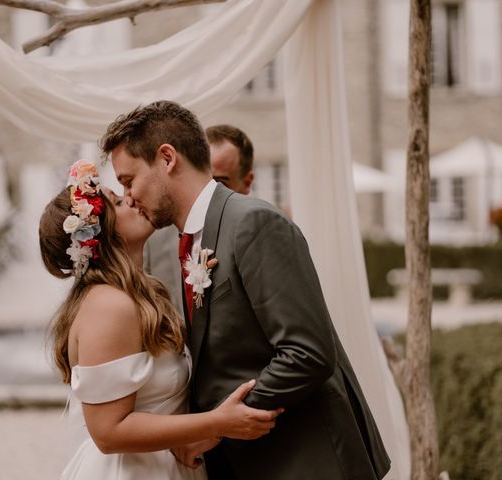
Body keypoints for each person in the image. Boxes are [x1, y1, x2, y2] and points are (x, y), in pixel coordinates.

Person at [101, 101, 391, 480]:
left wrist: (217, 427)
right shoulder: (183, 240)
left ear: (167, 158)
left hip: (306, 460)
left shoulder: (254, 223)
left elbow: (308, 352)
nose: (129, 195)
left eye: (128, 180)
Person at [39, 159, 281, 480]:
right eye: (116, 202)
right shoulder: (109, 305)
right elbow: (109, 432)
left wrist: (191, 435)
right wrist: (219, 422)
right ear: (96, 236)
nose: (130, 198)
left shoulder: (140, 293)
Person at [144, 124, 255, 310]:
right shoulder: (154, 240)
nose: (207, 191)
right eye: (203, 180)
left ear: (247, 182)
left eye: (219, 182)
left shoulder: (255, 234)